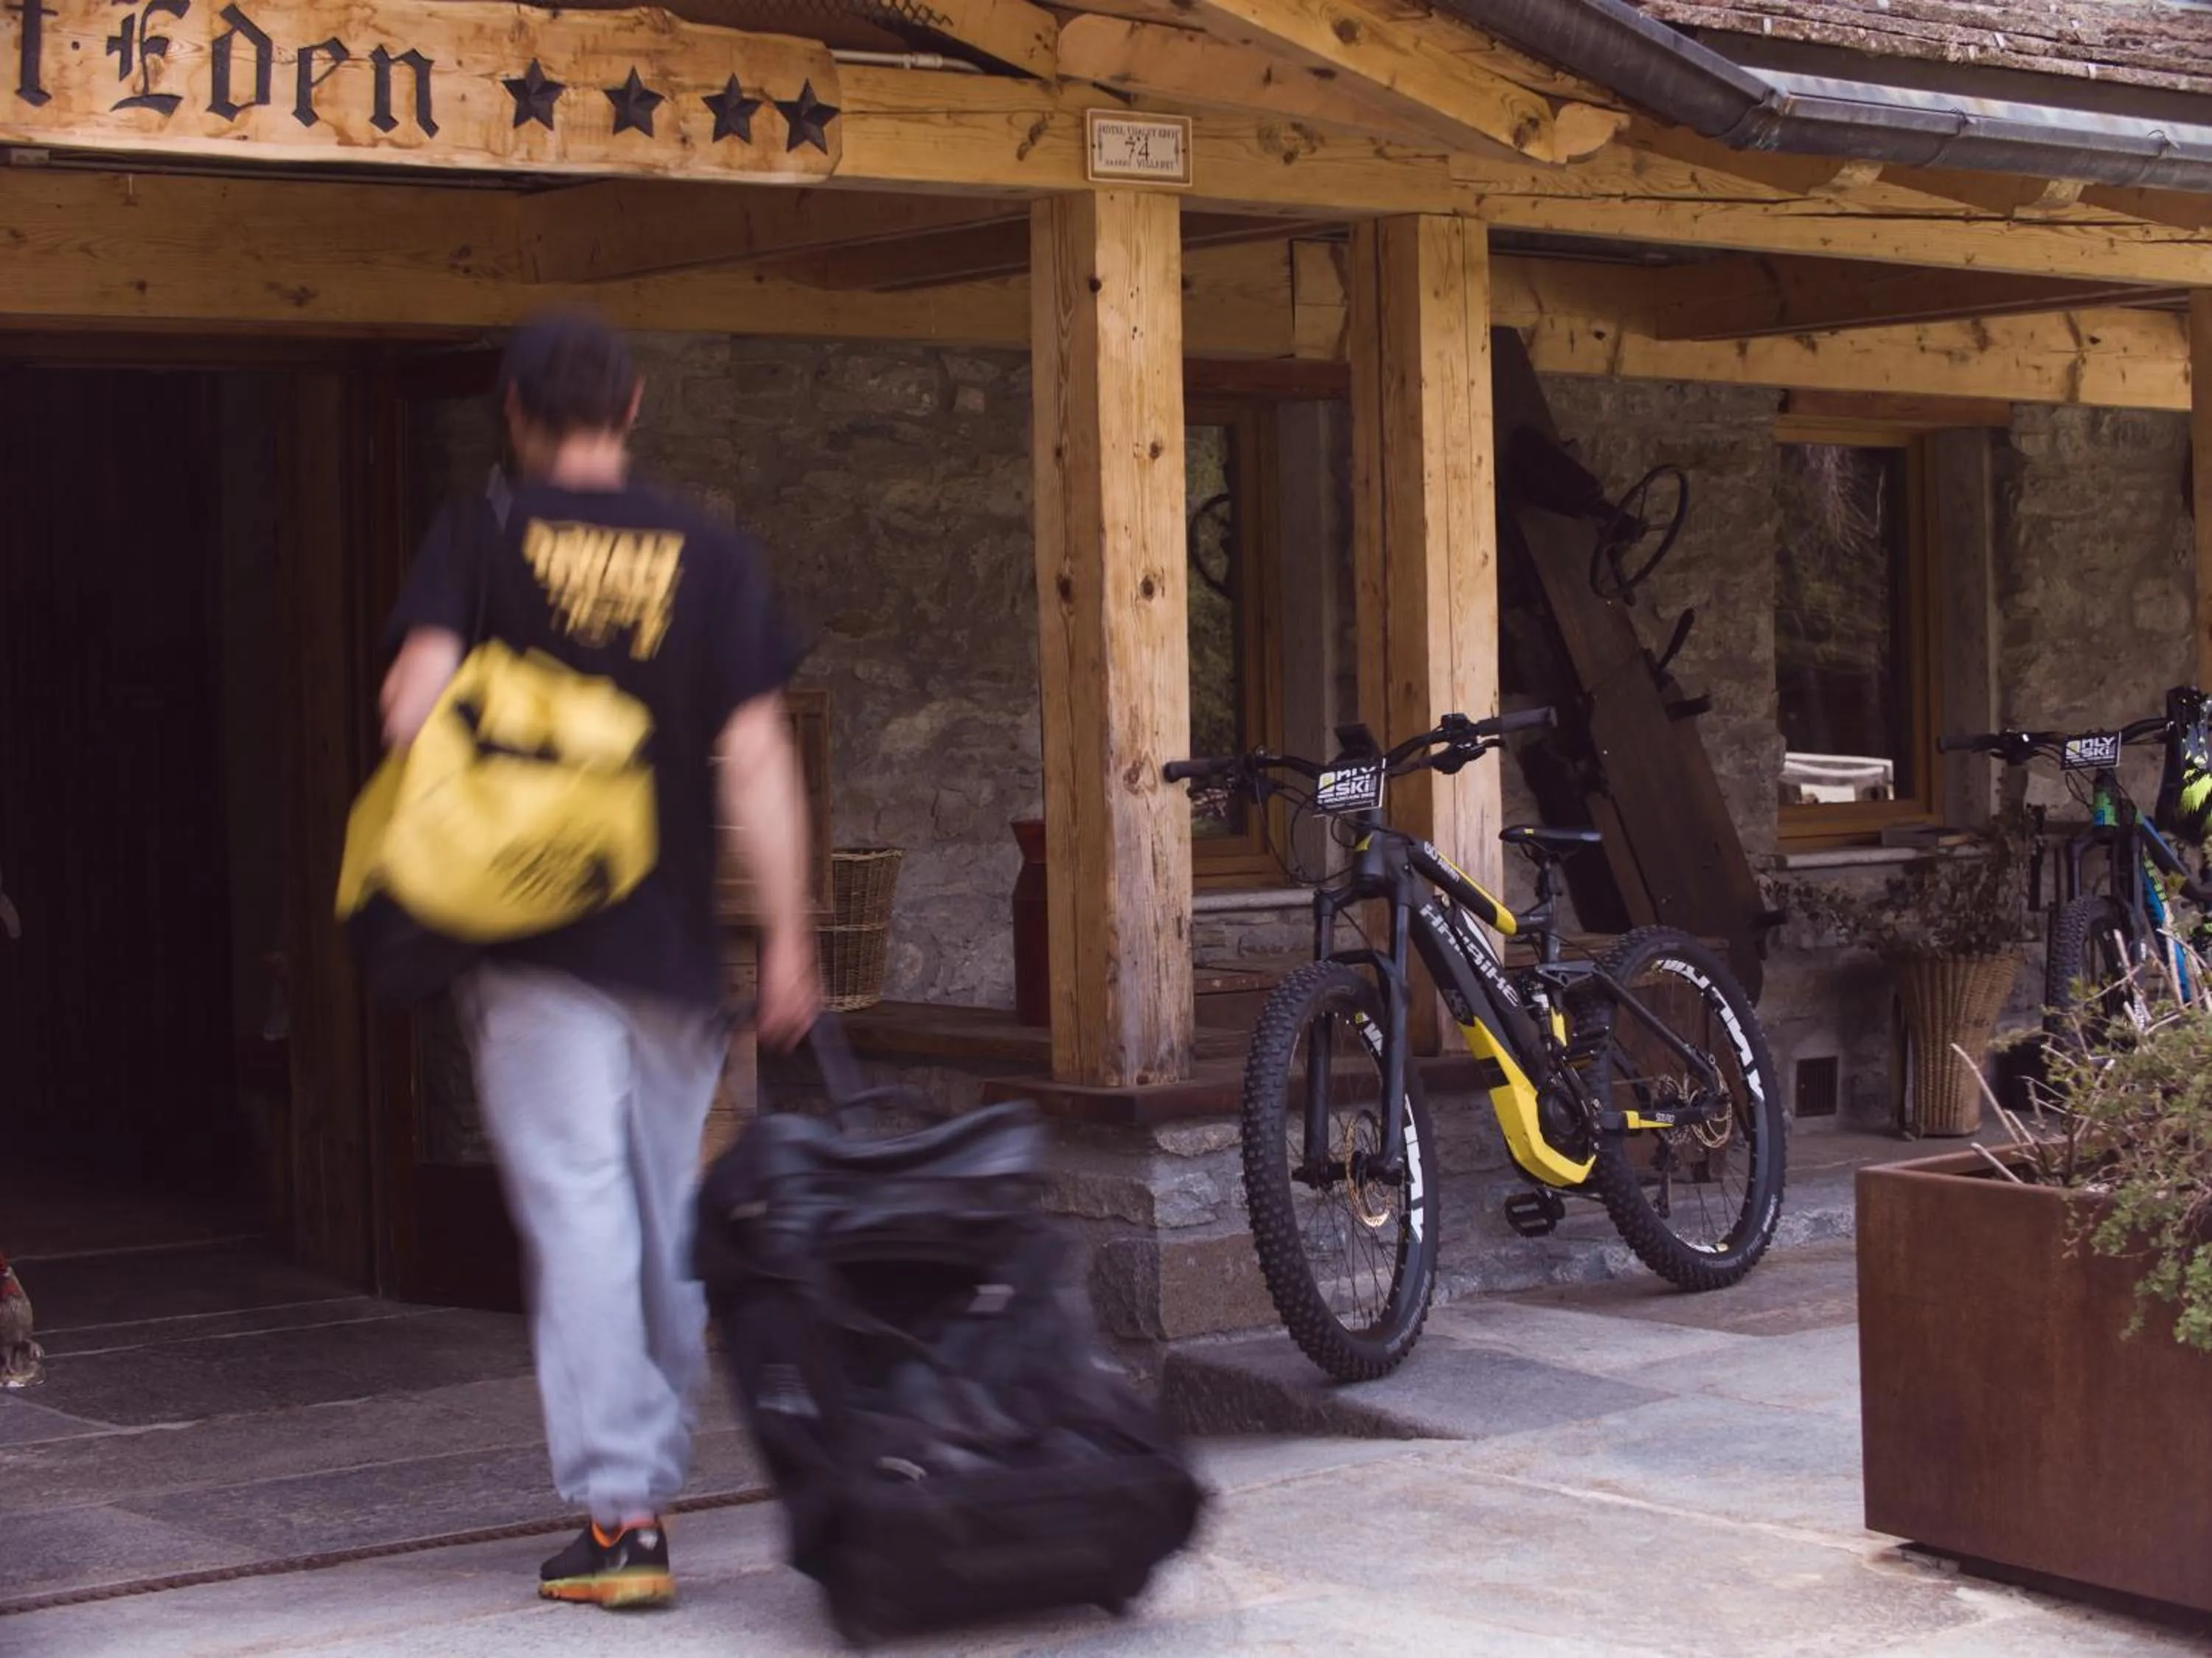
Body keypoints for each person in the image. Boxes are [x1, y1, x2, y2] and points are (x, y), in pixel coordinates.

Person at [380, 308, 820, 1610]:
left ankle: (624, 1519)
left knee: (578, 1208)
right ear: (630, 412)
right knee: (652, 1212)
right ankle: (650, 1483)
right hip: (675, 951)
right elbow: (757, 758)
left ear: (514, 414)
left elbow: (411, 709)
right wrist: (790, 936)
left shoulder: (480, 535)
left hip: (535, 941)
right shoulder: (712, 551)